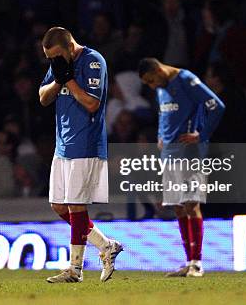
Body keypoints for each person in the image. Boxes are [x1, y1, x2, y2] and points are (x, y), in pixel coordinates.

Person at [38, 27, 123, 283]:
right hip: (62, 144)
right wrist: (58, 80)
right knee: (58, 205)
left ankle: (75, 269)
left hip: (85, 143)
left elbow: (92, 103)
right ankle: (106, 245)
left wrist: (70, 81)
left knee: (76, 205)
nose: (52, 61)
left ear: (69, 46)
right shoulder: (58, 64)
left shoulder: (93, 60)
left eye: (55, 56)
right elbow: (43, 97)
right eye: (48, 58)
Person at [138, 58, 225, 278]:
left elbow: (216, 105)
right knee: (177, 207)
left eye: (151, 80)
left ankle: (197, 263)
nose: (152, 85)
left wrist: (201, 135)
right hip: (169, 155)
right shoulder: (160, 88)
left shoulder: (186, 79)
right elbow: (163, 114)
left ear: (159, 70)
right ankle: (188, 262)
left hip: (190, 153)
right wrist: (160, 135)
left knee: (190, 204)